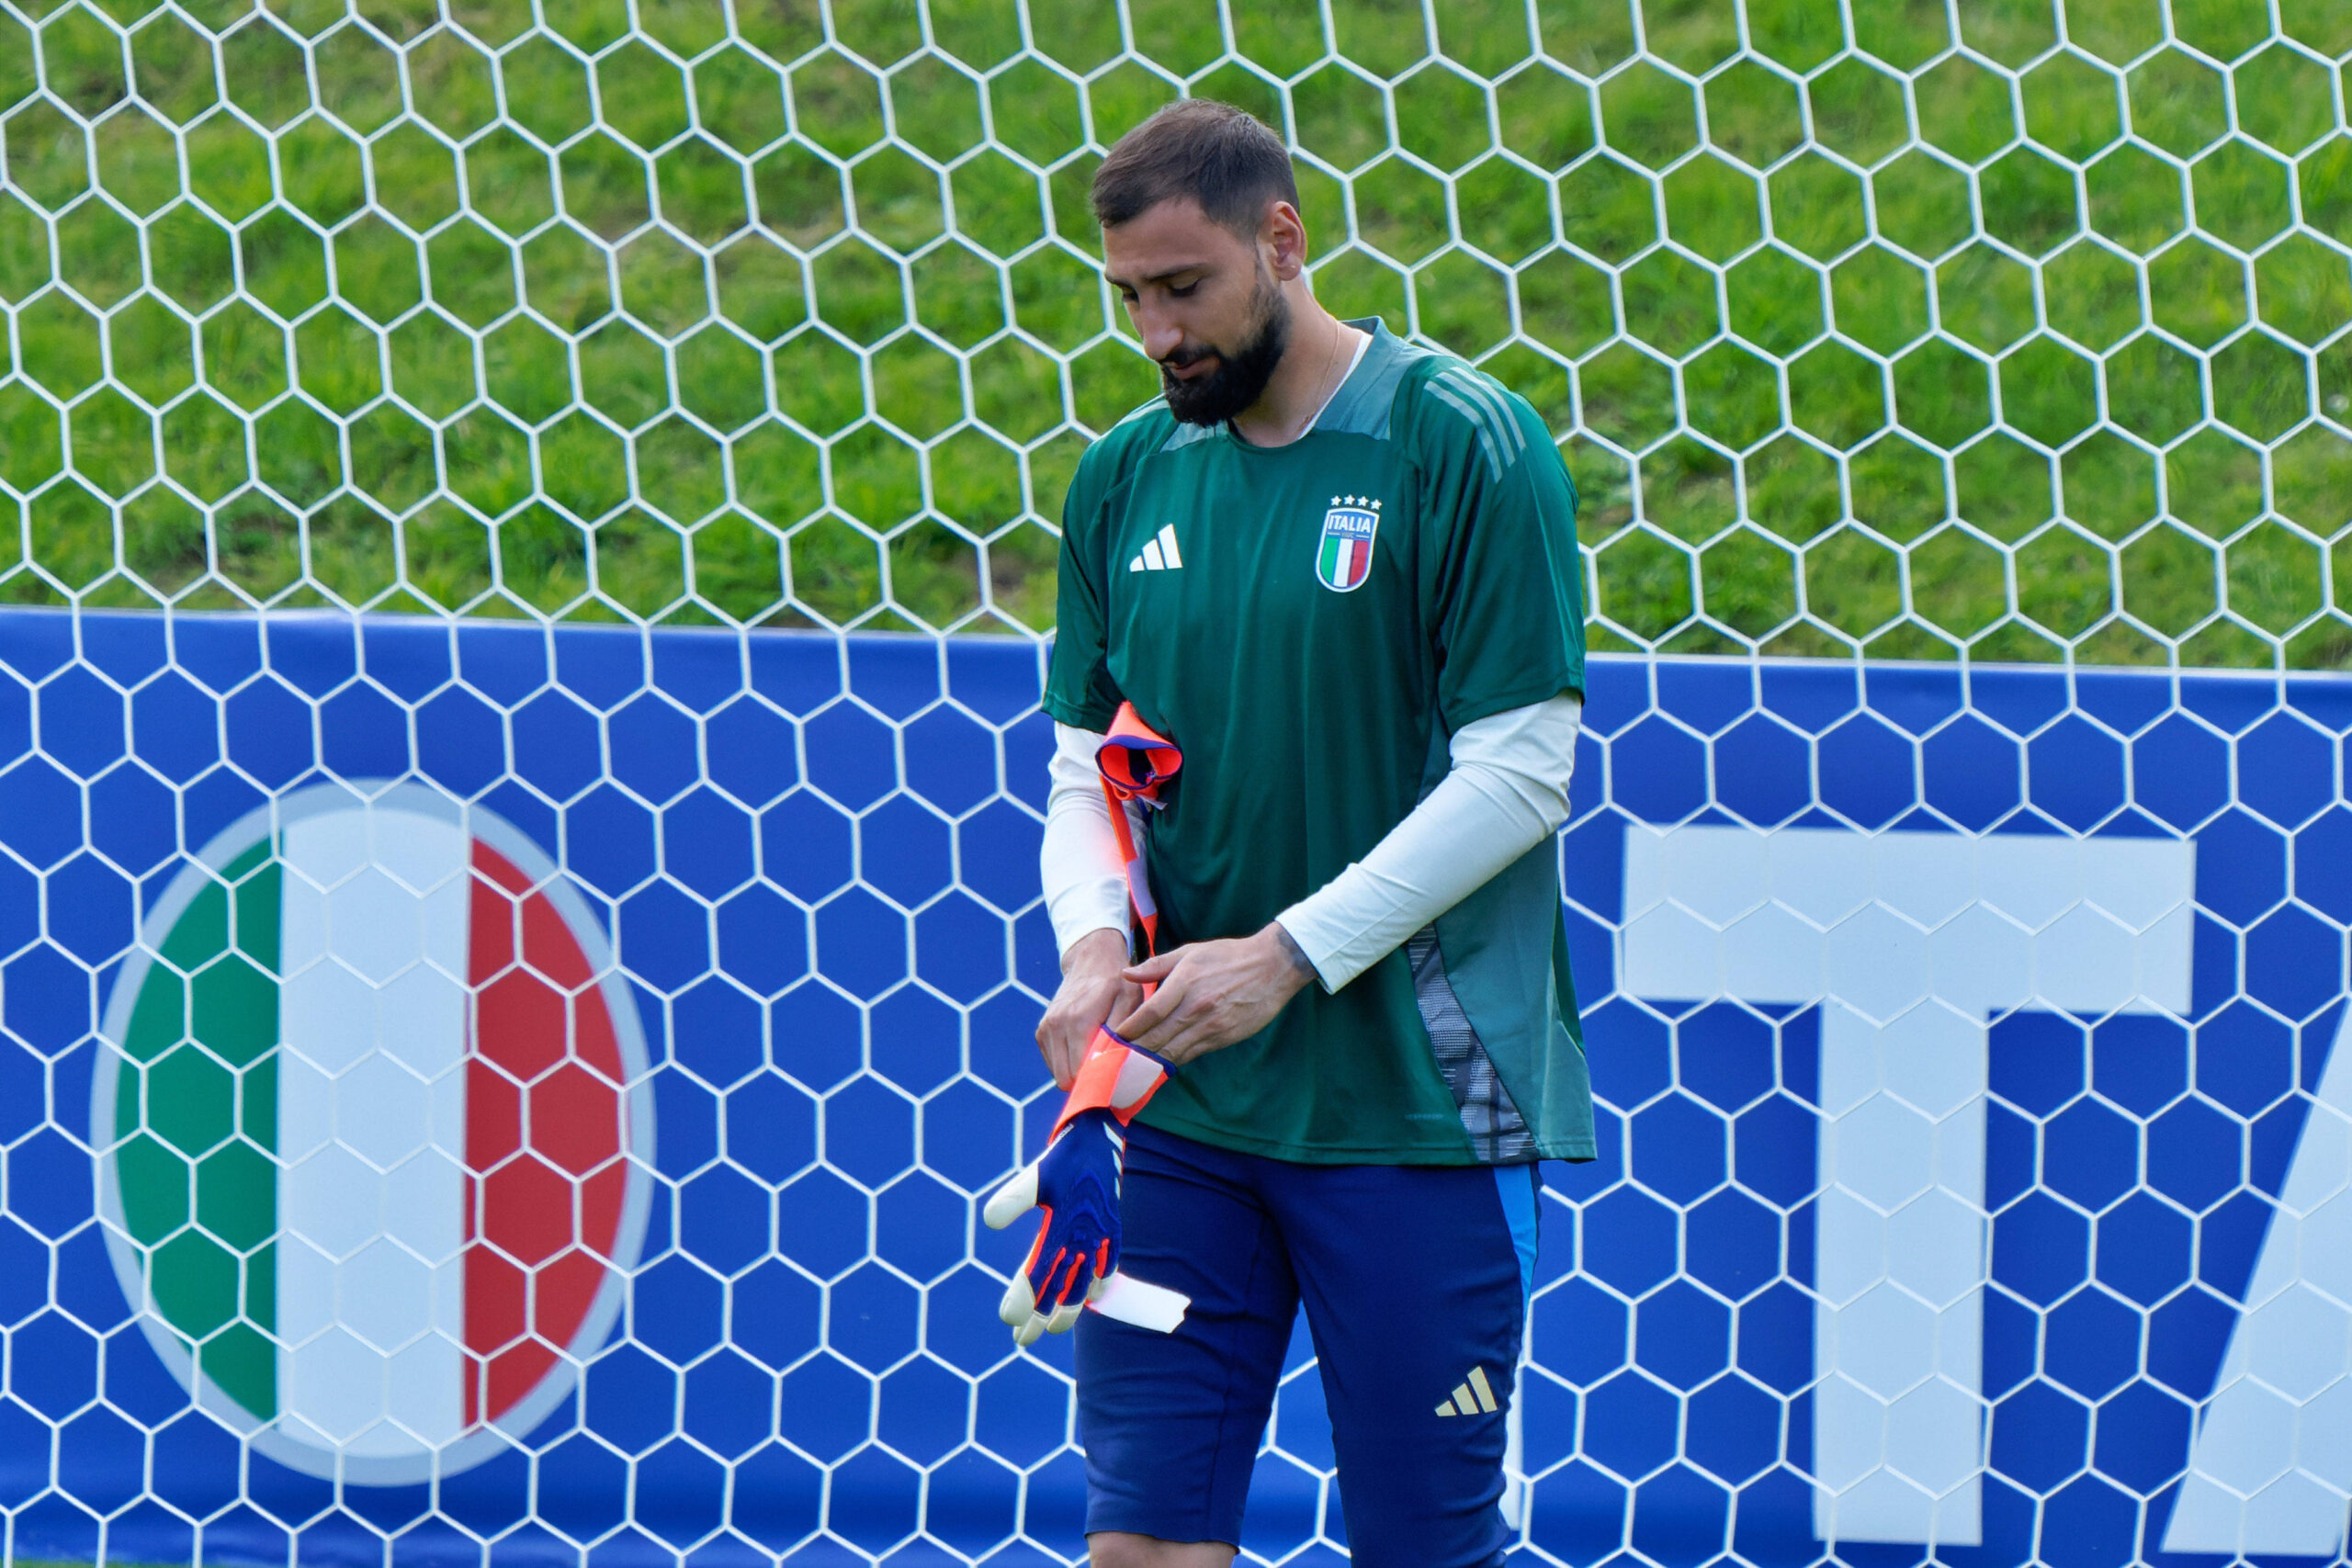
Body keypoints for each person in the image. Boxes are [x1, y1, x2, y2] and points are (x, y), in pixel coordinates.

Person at [993, 98, 1593, 1568]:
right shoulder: (1128, 474)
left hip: (1413, 1111)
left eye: (1184, 287)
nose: (1154, 334)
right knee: (1140, 1547)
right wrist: (1088, 953)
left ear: (1284, 240)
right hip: (1186, 1114)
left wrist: (1286, 956)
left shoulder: (1465, 443)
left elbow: (1522, 774)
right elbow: (1088, 767)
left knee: (1419, 1552)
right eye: (1128, 295)